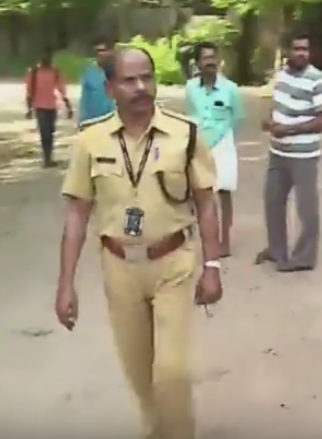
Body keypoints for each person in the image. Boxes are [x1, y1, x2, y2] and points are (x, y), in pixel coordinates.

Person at [55, 47, 223, 439]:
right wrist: (66, 284)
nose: (141, 87)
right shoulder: (90, 141)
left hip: (173, 262)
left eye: (147, 77)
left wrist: (212, 266)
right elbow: (77, 214)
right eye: (129, 80)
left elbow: (206, 203)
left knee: (172, 372)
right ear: (110, 88)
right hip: (119, 268)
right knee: (140, 374)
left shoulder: (186, 134)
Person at [256, 32, 322, 272]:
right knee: (273, 201)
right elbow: (278, 105)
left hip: (304, 156)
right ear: (287, 51)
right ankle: (276, 249)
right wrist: (270, 122)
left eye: (305, 49)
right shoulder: (281, 76)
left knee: (306, 209)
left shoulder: (317, 80)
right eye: (297, 48)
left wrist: (288, 130)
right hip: (278, 152)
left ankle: (304, 257)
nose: (301, 53)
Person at [185, 41, 244, 257]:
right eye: (206, 58)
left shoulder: (230, 89)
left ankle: (225, 241)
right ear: (198, 63)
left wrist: (224, 138)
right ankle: (206, 239)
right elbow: (191, 114)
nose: (210, 62)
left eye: (213, 57)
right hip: (200, 144)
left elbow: (238, 117)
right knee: (201, 193)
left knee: (224, 194)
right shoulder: (191, 88)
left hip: (223, 143)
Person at [24, 48, 73, 167]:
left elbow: (61, 89)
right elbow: (29, 92)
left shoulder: (55, 72)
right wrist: (29, 109)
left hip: (52, 106)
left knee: (50, 132)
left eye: (49, 56)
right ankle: (46, 158)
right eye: (44, 56)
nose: (46, 59)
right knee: (44, 132)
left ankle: (49, 157)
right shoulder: (34, 72)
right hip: (39, 107)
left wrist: (68, 106)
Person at [78, 36, 116, 127]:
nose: (100, 54)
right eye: (97, 51)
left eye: (103, 50)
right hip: (94, 121)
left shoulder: (120, 70)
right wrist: (82, 123)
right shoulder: (89, 74)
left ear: (111, 52)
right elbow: (85, 101)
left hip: (114, 121)